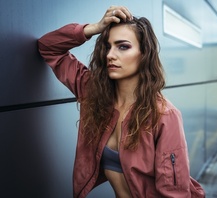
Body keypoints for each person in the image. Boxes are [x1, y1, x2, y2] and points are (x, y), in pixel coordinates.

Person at [38, 5, 205, 198]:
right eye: (108, 46)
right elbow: (47, 47)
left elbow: (175, 194)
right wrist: (93, 28)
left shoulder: (164, 115)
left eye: (123, 46)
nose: (110, 55)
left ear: (144, 54)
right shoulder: (94, 93)